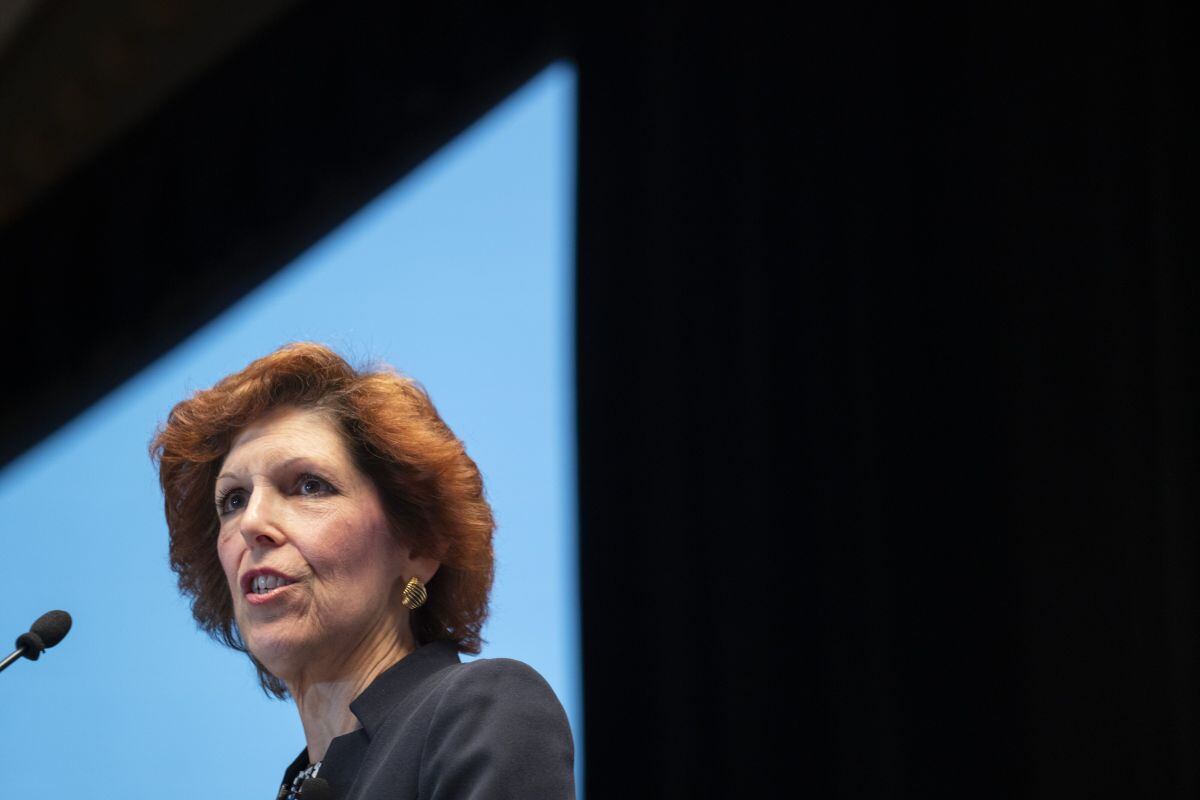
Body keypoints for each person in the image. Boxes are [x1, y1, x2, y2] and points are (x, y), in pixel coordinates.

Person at [150, 342, 575, 799]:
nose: (251, 523)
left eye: (309, 486)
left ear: (418, 544)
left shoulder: (484, 708)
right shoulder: (306, 782)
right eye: (233, 500)